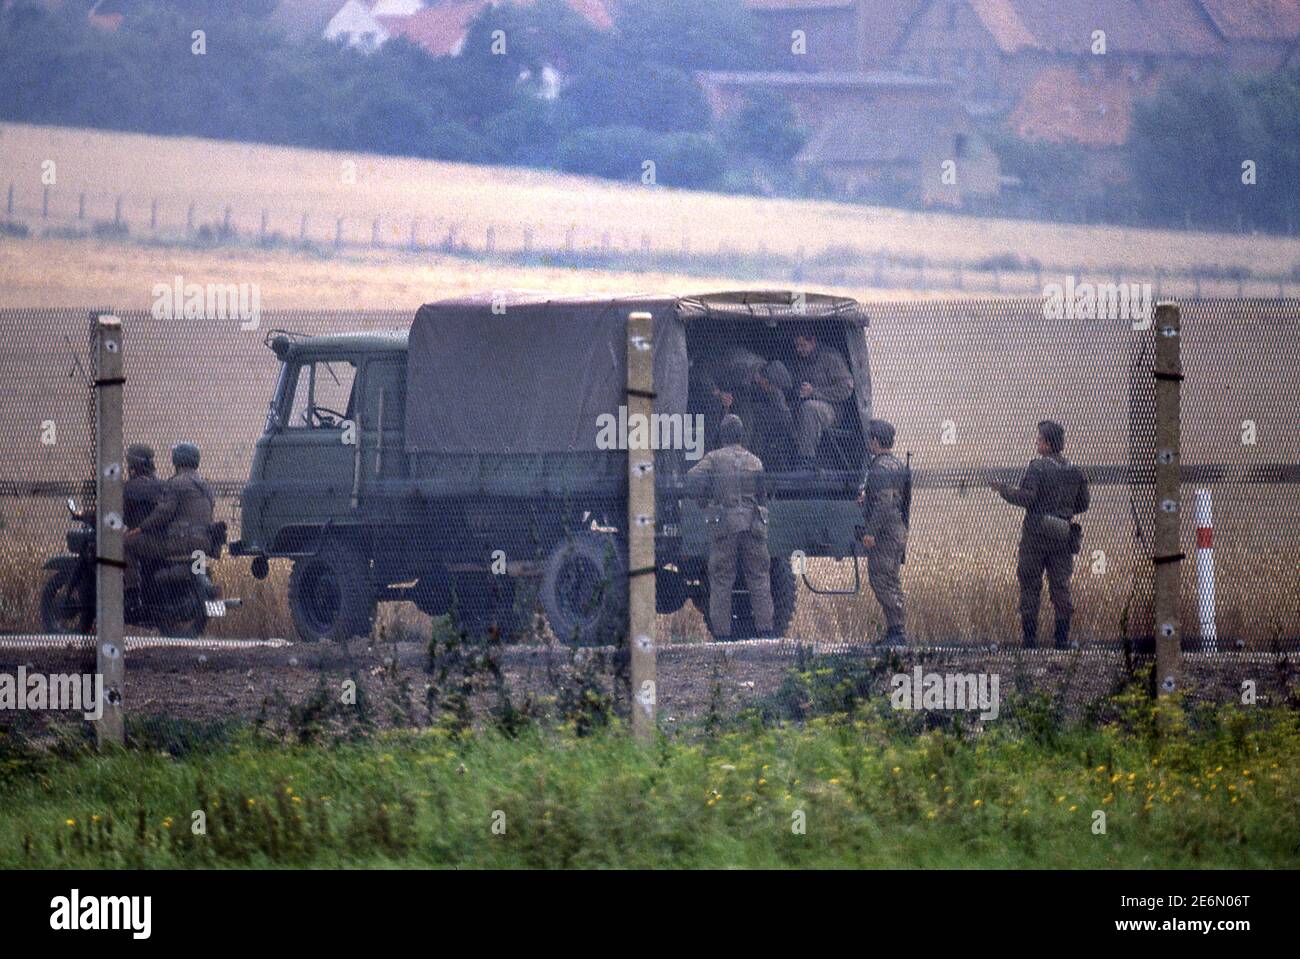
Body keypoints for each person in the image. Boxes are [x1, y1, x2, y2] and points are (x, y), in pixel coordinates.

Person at [990, 420, 1090, 649]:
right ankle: (1062, 641)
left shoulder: (1038, 467)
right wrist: (1062, 512)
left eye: (1039, 439)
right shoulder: (1075, 470)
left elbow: (1026, 497)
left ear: (1046, 444)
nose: (1036, 442)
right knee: (1060, 586)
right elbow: (1083, 504)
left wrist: (1003, 490)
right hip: (1063, 535)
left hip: (1035, 535)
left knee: (1030, 585)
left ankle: (1030, 641)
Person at [686, 414, 773, 639]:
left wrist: (706, 504)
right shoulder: (755, 461)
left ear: (722, 435)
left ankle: (722, 635)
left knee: (722, 580)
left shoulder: (714, 459)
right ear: (741, 435)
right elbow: (763, 496)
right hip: (753, 525)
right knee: (759, 578)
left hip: (725, 526)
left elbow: (692, 479)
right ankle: (766, 631)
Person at [127, 442, 216, 596]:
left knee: (127, 542)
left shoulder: (176, 483)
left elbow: (163, 512)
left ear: (177, 460)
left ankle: (132, 592)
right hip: (203, 544)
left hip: (180, 543)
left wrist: (140, 528)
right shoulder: (205, 485)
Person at [693, 345, 793, 466]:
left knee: (748, 422)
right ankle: (708, 463)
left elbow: (782, 409)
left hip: (741, 395)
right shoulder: (738, 363)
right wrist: (718, 394)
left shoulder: (771, 382)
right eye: (771, 386)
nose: (772, 390)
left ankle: (745, 464)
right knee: (713, 425)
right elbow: (703, 371)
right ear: (763, 379)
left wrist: (788, 420)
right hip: (713, 389)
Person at [856, 419, 908, 646]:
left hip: (885, 532)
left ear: (875, 441)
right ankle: (896, 630)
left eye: (870, 439)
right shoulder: (896, 464)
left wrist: (871, 532)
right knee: (890, 578)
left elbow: (885, 501)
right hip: (896, 528)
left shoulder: (879, 467)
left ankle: (897, 631)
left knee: (881, 578)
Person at [787, 328, 854, 470]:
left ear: (813, 342)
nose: (799, 349)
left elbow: (846, 389)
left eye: (803, 345)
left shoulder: (831, 358)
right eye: (797, 346)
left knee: (810, 409)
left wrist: (815, 392)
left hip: (832, 409)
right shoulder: (798, 360)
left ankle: (806, 460)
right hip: (802, 404)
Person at [121, 444, 163, 592]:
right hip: (160, 538)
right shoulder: (160, 484)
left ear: (133, 465)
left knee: (122, 543)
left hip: (146, 539)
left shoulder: (132, 487)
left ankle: (132, 589)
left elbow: (121, 514)